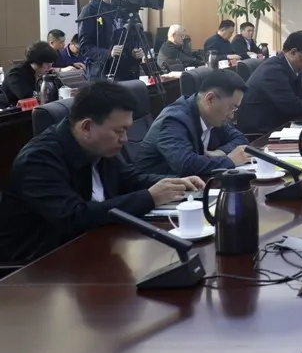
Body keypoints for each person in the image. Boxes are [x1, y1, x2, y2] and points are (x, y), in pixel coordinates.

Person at [0, 81, 204, 264]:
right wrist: (150, 197)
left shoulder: (99, 147)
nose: (125, 139)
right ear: (87, 127)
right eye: (119, 131)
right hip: (36, 269)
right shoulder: (38, 160)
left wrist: (175, 183)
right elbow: (74, 217)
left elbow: (131, 179)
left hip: (90, 251)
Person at [135, 69, 250, 177]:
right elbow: (186, 164)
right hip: (155, 186)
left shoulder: (212, 116)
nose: (231, 115)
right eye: (231, 108)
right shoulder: (174, 120)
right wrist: (229, 160)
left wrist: (220, 152)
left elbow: (240, 139)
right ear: (210, 99)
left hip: (190, 183)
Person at [78, 0, 145, 80]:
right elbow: (85, 47)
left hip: (128, 72)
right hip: (101, 73)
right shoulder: (90, 9)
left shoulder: (129, 8)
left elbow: (139, 37)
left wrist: (138, 50)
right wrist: (109, 53)